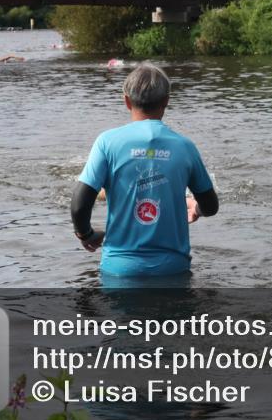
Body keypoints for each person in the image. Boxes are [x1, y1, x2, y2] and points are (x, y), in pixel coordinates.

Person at [70, 64, 218, 277]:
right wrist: (196, 209)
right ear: (167, 101)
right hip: (172, 270)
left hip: (119, 271)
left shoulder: (106, 142)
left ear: (127, 101)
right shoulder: (185, 147)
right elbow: (211, 206)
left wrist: (86, 234)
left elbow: (79, 204)